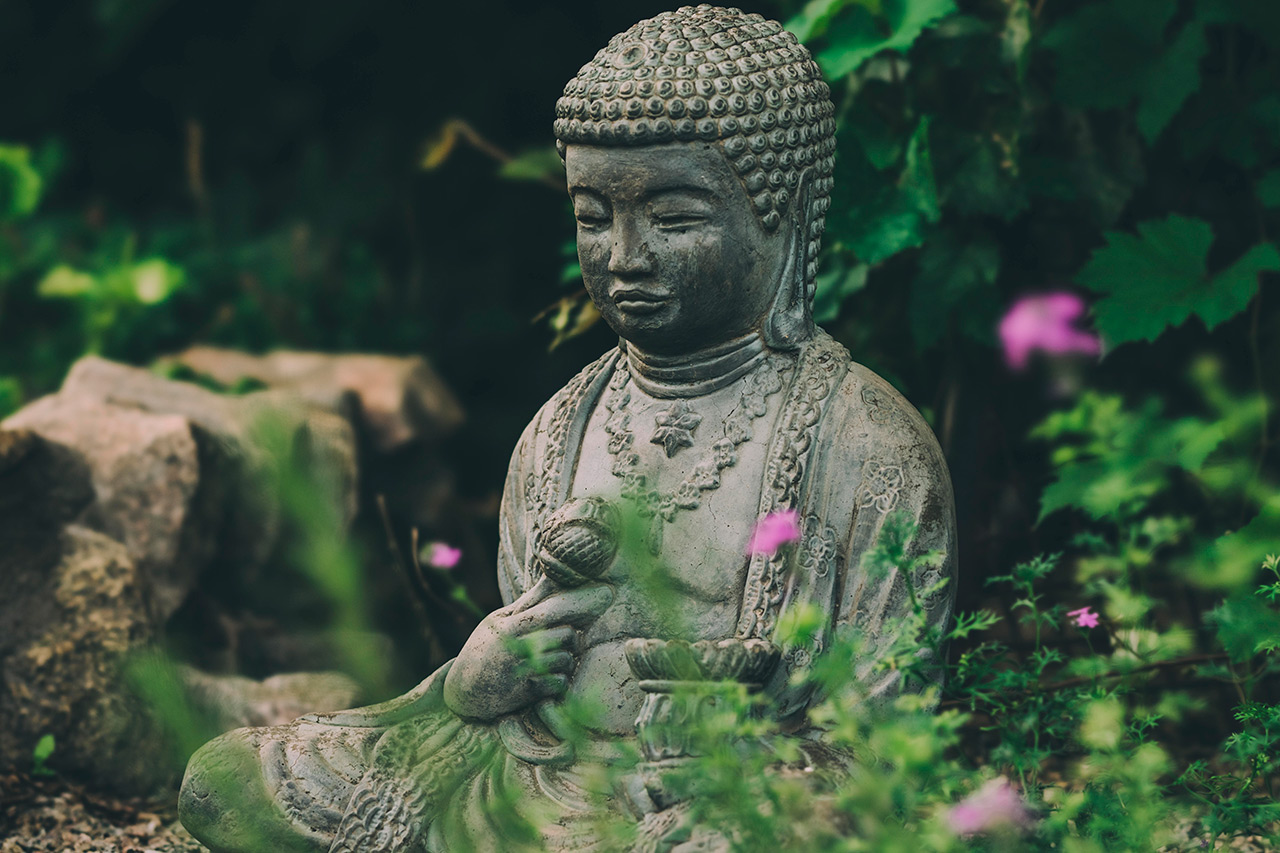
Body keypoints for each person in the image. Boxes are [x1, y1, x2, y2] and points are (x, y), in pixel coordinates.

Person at [178, 6, 957, 851]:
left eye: (674, 218)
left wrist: (751, 770)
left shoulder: (868, 445)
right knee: (227, 780)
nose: (625, 255)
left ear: (786, 210)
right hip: (533, 778)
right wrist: (471, 682)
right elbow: (524, 670)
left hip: (725, 794)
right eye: (593, 216)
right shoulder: (560, 426)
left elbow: (886, 732)